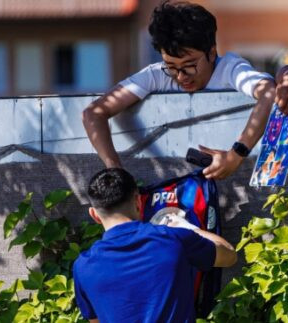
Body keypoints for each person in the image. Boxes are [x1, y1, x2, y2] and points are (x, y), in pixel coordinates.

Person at [82, 1, 275, 179]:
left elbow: (269, 93)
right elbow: (93, 113)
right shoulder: (157, 75)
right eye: (172, 67)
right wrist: (115, 168)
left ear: (212, 52)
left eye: (189, 65)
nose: (181, 76)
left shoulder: (230, 69)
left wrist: (236, 154)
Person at [73, 168, 237, 322]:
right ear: (138, 201)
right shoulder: (174, 239)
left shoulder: (82, 267)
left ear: (94, 215)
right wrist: (187, 227)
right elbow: (229, 255)